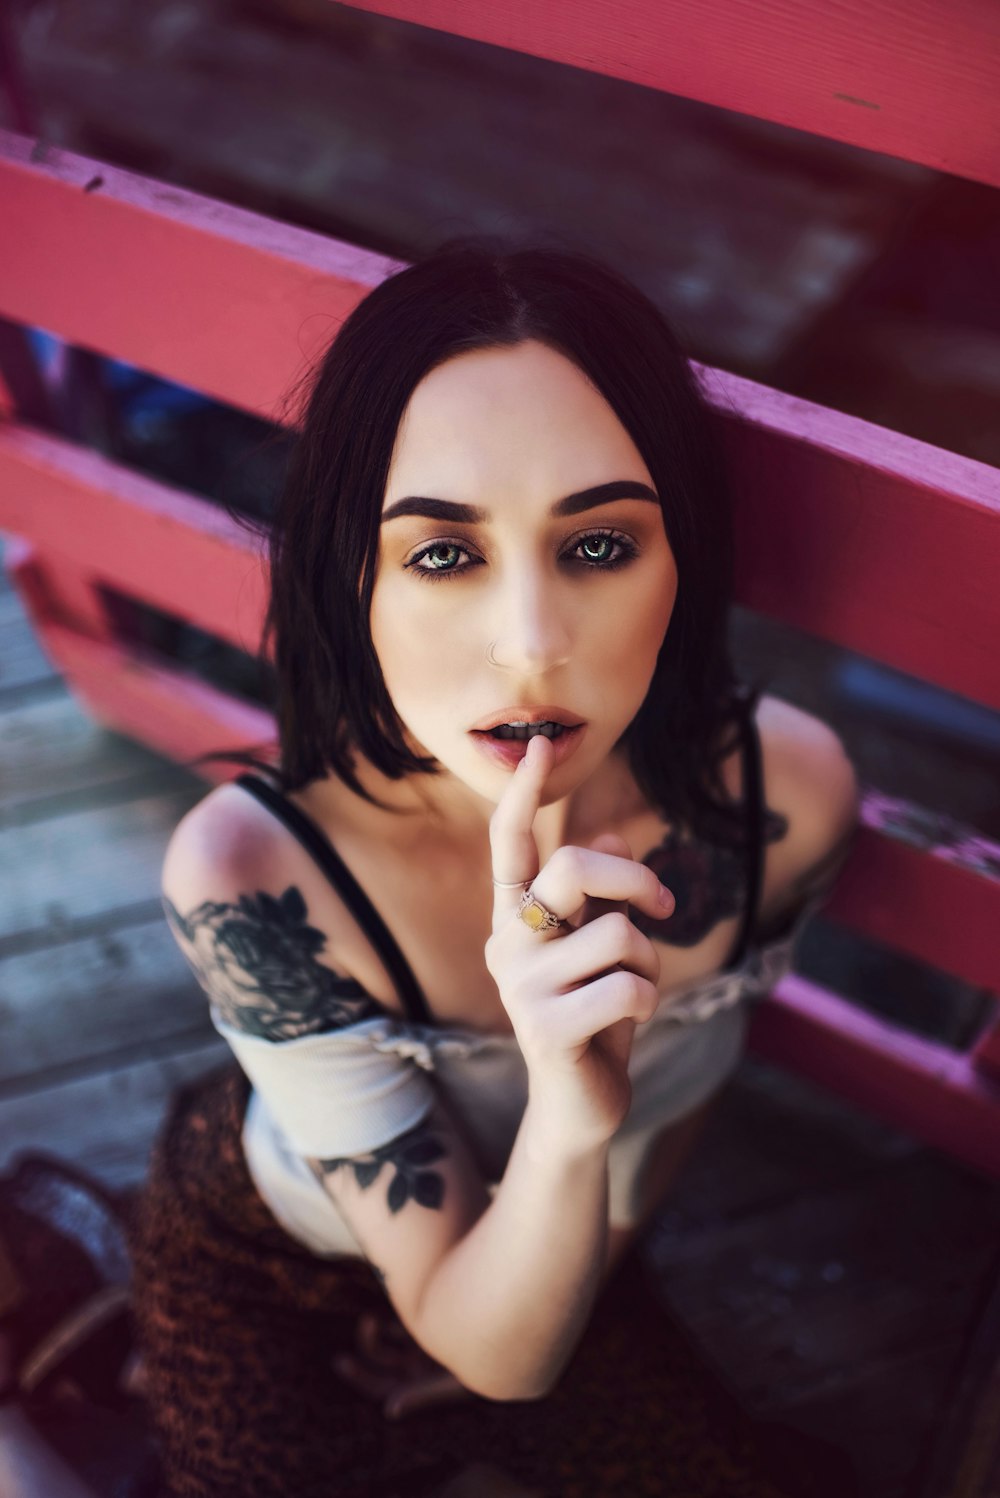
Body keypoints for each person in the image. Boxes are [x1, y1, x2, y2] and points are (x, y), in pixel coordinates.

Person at [128, 239, 860, 1498]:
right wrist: (482, 1333)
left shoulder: (785, 800)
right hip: (267, 1242)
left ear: (679, 561)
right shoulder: (255, 876)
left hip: (577, 1235)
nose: (531, 646)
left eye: (596, 547)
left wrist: (569, 1187)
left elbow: (535, 1310)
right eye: (442, 554)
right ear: (348, 577)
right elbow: (480, 1335)